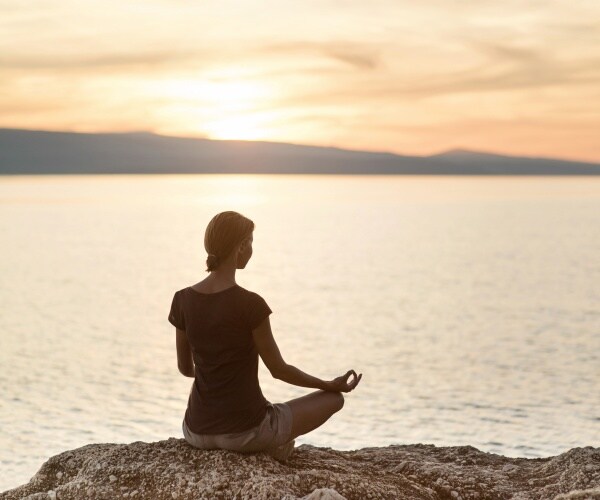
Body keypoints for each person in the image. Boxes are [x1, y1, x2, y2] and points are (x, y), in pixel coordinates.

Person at [168, 211, 362, 463]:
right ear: (242, 246)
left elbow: (185, 369)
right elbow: (279, 370)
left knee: (268, 411)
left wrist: (214, 374)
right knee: (333, 400)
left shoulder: (182, 300)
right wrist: (328, 384)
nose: (252, 249)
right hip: (245, 432)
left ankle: (269, 443)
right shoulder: (251, 305)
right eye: (251, 242)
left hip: (195, 431)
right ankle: (270, 445)